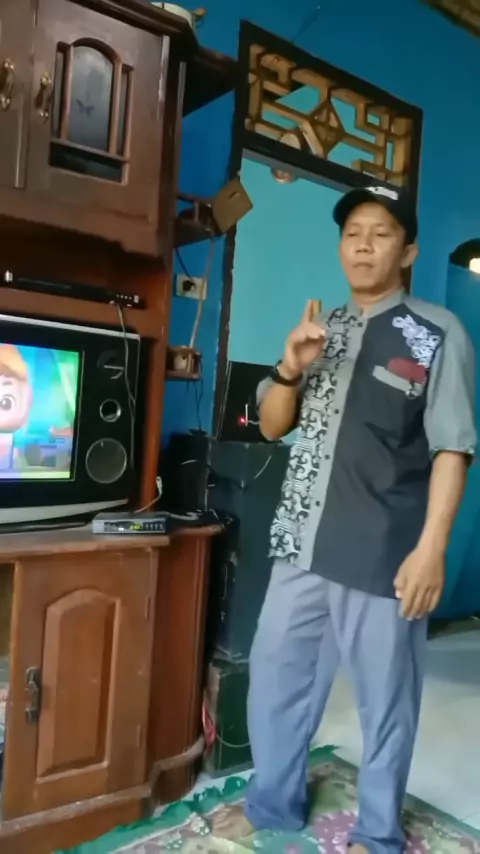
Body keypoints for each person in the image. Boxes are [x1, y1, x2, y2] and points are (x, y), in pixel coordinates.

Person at [212, 185, 477, 853]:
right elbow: (272, 427)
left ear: (407, 251)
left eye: (380, 233)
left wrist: (432, 551)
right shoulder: (319, 326)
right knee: (276, 683)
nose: (363, 244)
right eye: (353, 232)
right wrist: (289, 367)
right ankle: (274, 803)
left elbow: (452, 448)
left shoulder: (437, 332)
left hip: (383, 552)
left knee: (386, 703)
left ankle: (378, 834)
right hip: (301, 544)